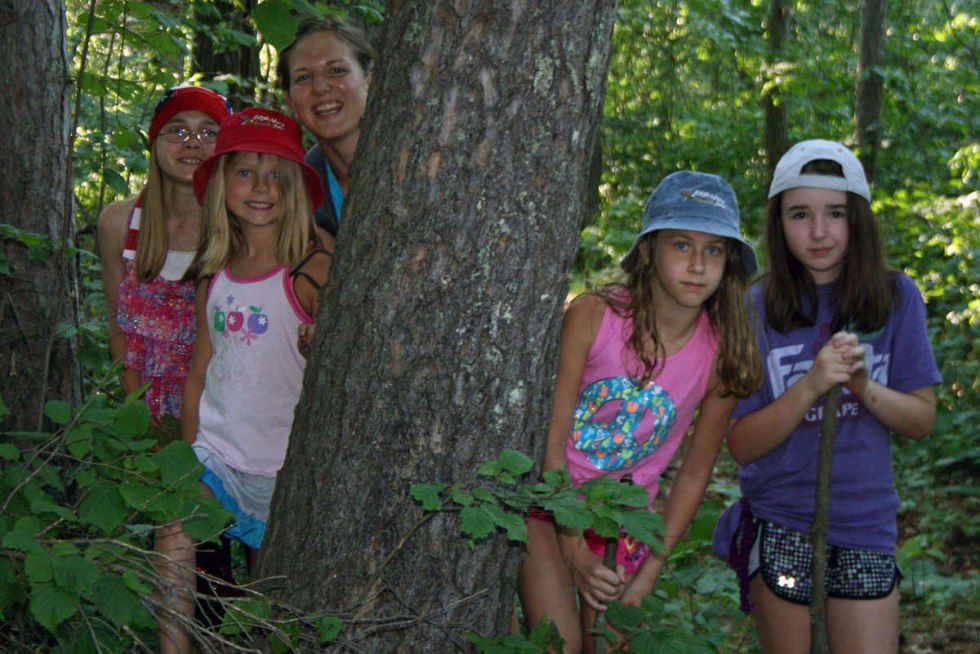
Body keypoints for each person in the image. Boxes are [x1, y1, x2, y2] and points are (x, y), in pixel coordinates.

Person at [519, 171, 764, 653]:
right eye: (681, 245)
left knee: (612, 643)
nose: (698, 265)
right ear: (648, 250)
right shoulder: (594, 315)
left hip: (625, 521)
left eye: (714, 250)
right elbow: (551, 440)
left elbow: (694, 474)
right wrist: (572, 548)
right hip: (550, 505)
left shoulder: (721, 352)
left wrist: (649, 571)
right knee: (559, 645)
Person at [713, 140, 942, 654]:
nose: (818, 232)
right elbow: (742, 444)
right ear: (778, 223)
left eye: (835, 213)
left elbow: (921, 420)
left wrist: (862, 386)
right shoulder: (753, 307)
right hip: (782, 520)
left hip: (866, 522)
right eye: (800, 214)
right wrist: (812, 384)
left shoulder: (895, 298)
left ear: (857, 219)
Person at [157, 107, 332, 654]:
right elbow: (200, 372)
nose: (262, 188)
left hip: (284, 465)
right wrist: (189, 456)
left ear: (299, 189)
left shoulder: (312, 266)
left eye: (278, 174)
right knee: (174, 533)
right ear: (221, 184)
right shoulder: (216, 272)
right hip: (220, 454)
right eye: (246, 173)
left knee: (266, 590)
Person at [98, 85, 232, 422]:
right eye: (177, 130)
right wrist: (140, 417)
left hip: (226, 420)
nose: (192, 142)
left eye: (208, 132)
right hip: (148, 420)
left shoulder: (240, 229)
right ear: (154, 143)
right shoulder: (120, 223)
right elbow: (118, 326)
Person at [277, 14, 374, 236]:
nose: (320, 87)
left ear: (370, 81)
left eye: (336, 70)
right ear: (290, 101)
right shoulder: (296, 192)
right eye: (303, 78)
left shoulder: (417, 160)